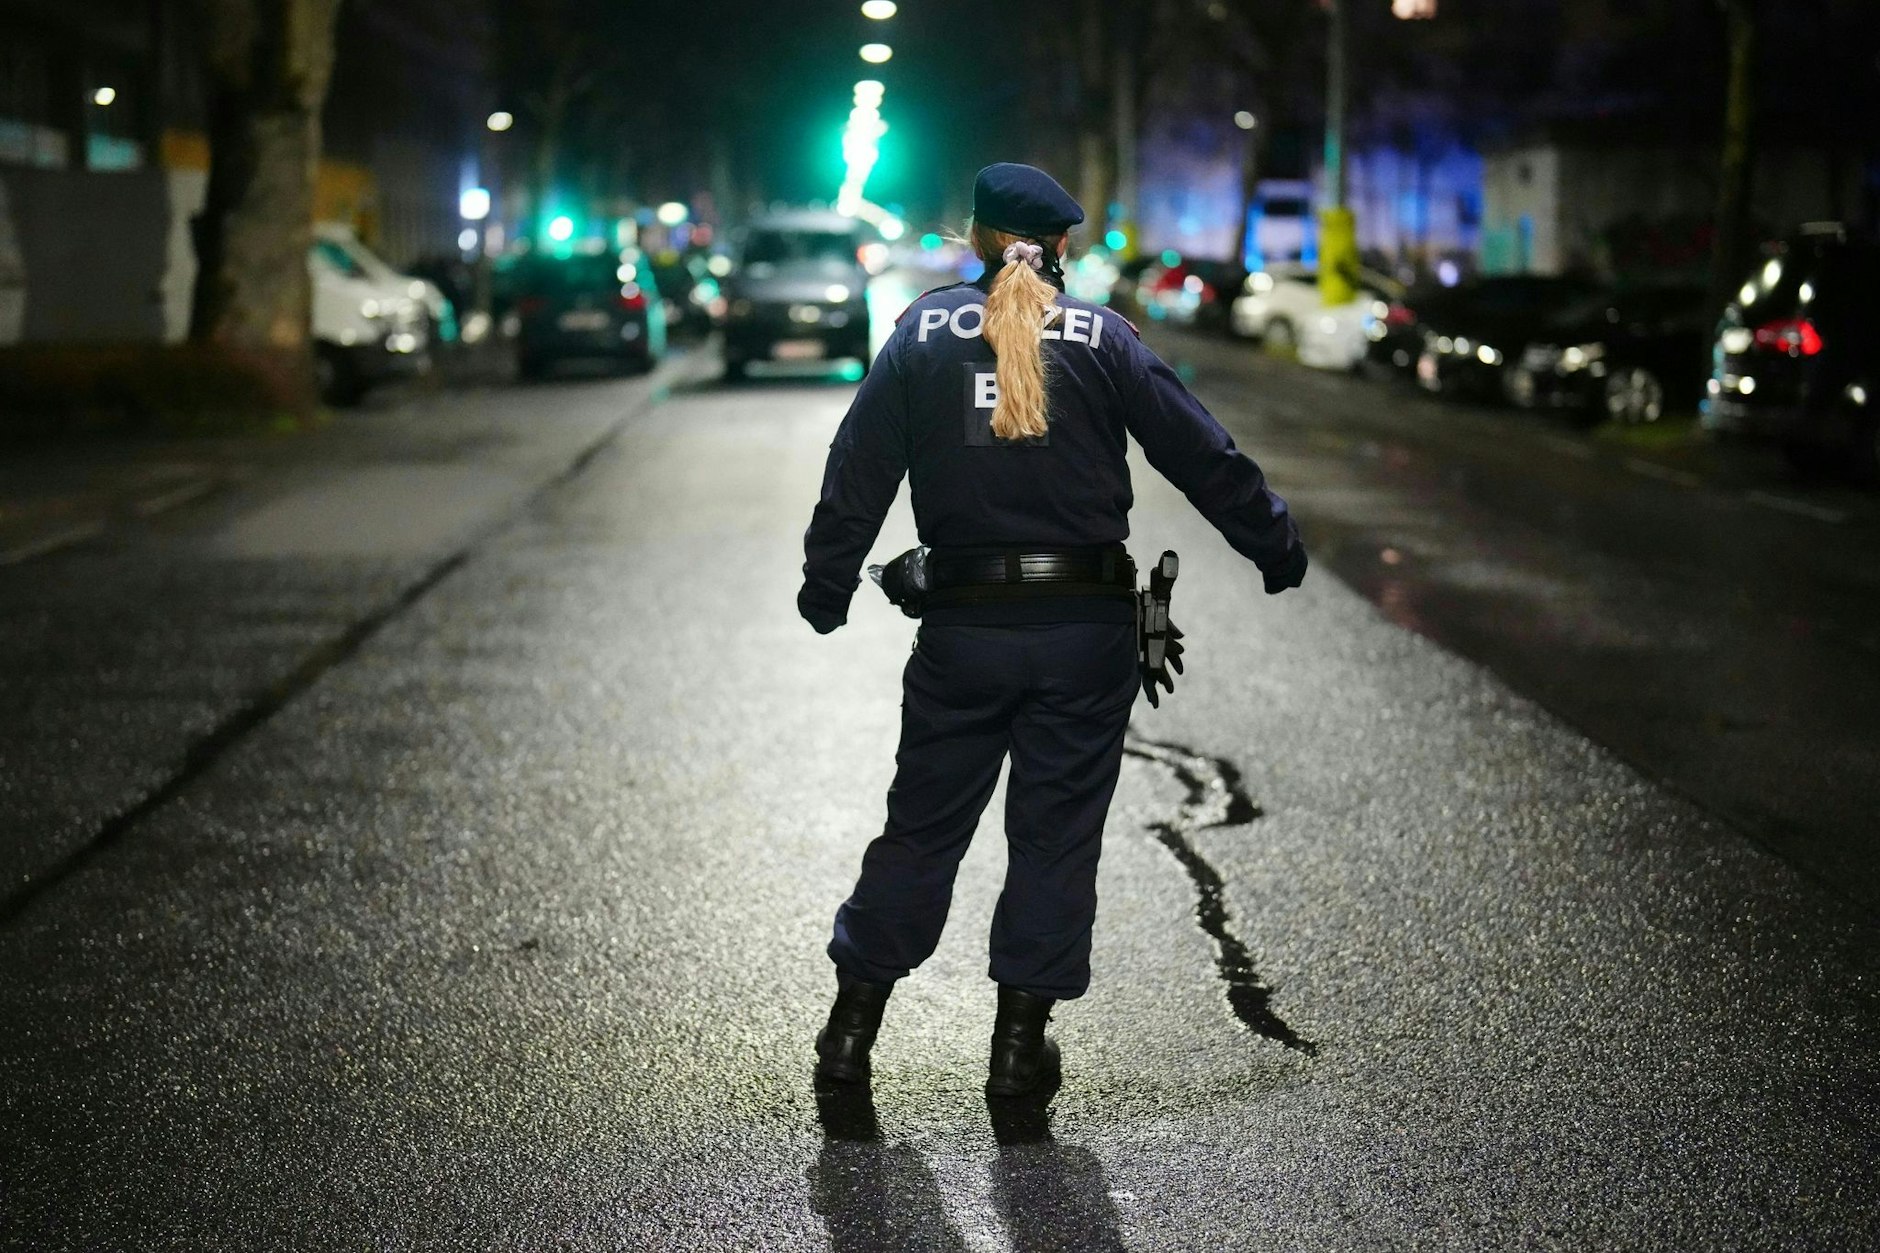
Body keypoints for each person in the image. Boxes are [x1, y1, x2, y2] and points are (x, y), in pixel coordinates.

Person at [798, 162, 1306, 1097]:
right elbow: (1201, 451)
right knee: (1055, 841)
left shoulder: (921, 333)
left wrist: (827, 584)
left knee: (920, 832)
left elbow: (857, 466)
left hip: (962, 633)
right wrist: (1272, 542)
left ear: (976, 236)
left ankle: (848, 1037)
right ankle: (1018, 1054)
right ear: (1061, 245)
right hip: (1083, 636)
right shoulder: (1106, 338)